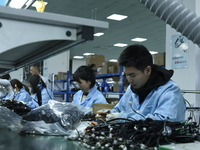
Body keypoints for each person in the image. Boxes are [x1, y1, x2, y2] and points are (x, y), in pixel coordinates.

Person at [96, 44, 186, 122]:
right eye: (126, 75)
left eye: (133, 75)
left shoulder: (169, 91)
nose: (129, 80)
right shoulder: (132, 90)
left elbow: (164, 121)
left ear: (148, 70)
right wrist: (108, 114)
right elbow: (119, 109)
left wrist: (121, 118)